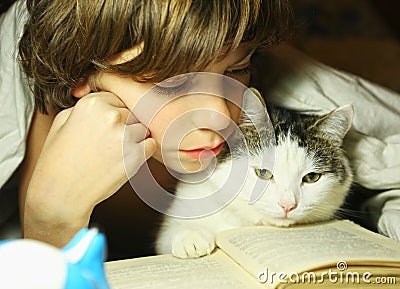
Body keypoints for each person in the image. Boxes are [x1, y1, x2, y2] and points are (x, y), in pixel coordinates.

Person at [0, 0, 294, 259]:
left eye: (237, 69)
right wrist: (49, 220)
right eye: (173, 83)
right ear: (79, 72)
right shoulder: (40, 118)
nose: (219, 115)